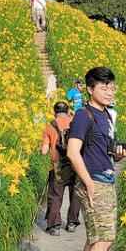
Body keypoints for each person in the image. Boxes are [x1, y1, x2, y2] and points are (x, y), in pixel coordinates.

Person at [66, 67, 126, 251]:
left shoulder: (107, 116)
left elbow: (103, 152)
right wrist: (89, 183)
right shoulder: (83, 115)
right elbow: (72, 151)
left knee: (94, 239)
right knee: (104, 240)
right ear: (90, 90)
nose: (109, 92)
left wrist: (118, 156)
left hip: (106, 181)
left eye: (112, 87)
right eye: (104, 88)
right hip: (95, 184)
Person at [40, 101, 81, 236]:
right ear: (68, 110)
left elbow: (44, 152)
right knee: (75, 194)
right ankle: (71, 223)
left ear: (54, 112)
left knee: (55, 195)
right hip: (76, 162)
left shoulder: (50, 126)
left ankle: (55, 226)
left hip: (57, 165)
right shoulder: (75, 123)